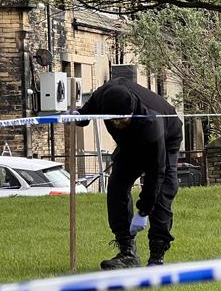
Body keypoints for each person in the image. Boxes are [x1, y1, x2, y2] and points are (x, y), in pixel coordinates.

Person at [75, 77, 183, 269]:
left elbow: (155, 173)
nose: (116, 124)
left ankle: (157, 256)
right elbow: (84, 116)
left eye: (121, 119)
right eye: (112, 119)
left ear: (132, 112)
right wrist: (74, 116)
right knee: (116, 187)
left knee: (162, 194)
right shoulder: (101, 97)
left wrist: (143, 211)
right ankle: (127, 253)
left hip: (166, 138)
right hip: (129, 145)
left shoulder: (151, 122)